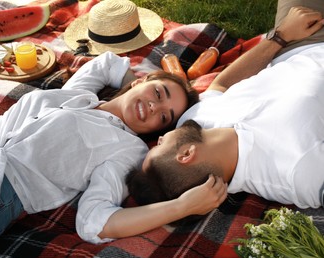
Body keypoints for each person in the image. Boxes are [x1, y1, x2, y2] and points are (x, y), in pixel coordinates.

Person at [0, 49, 230, 258]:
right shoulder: (82, 94)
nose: (155, 108)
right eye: (157, 93)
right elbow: (106, 64)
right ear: (141, 81)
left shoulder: (127, 150)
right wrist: (134, 83)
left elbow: (95, 222)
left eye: (165, 117)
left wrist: (181, 206)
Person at [127, 1, 324, 210]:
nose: (159, 138)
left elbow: (221, 84)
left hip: (299, 44)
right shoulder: (297, 174)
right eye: (159, 146)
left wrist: (281, 36)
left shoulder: (193, 122)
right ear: (186, 154)